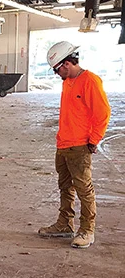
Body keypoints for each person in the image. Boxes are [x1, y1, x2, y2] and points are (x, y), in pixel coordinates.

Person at [38, 41, 111, 249]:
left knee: (84, 189)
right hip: (63, 144)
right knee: (65, 187)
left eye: (56, 69)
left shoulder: (90, 81)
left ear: (67, 63)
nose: (56, 74)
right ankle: (65, 224)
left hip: (80, 146)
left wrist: (94, 139)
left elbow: (103, 113)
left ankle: (87, 230)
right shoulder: (68, 81)